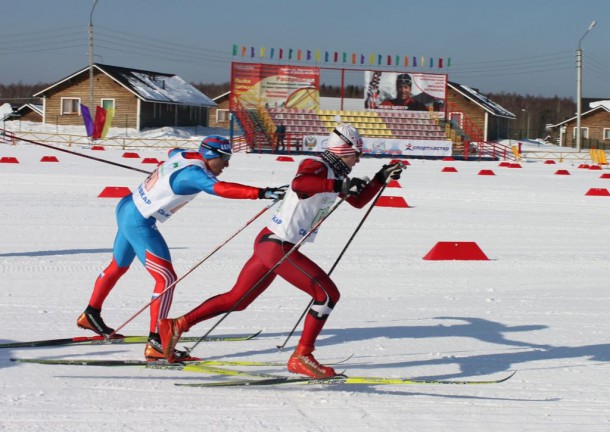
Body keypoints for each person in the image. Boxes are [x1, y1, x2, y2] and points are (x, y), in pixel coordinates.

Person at [159, 124, 403, 378]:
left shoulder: (335, 175)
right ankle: (302, 356)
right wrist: (340, 186)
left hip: (269, 243)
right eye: (356, 154)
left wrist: (379, 178)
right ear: (343, 150)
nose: (358, 159)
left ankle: (176, 325)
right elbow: (300, 183)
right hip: (277, 246)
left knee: (238, 299)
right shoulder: (317, 166)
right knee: (327, 294)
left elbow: (357, 201)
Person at [76, 135, 287, 361]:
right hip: (139, 220)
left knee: (118, 266)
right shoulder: (194, 174)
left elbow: (173, 151)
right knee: (166, 279)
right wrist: (262, 192)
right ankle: (156, 341)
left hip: (127, 207)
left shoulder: (184, 155)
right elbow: (220, 189)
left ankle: (91, 314)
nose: (227, 164)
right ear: (211, 156)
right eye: (224, 159)